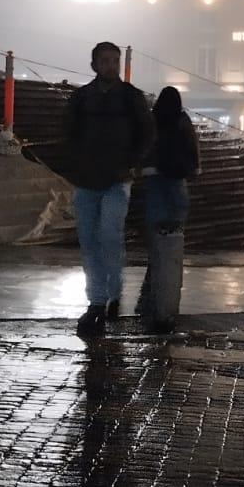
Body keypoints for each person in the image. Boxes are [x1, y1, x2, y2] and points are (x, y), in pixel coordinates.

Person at [65, 41, 153, 337]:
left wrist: (133, 164)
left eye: (114, 61)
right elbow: (68, 134)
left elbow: (146, 133)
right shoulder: (81, 98)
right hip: (86, 179)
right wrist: (73, 167)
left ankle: (111, 293)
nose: (110, 66)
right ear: (94, 65)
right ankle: (98, 300)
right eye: (105, 61)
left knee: (109, 237)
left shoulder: (131, 97)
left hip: (117, 179)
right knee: (90, 241)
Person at [134, 86, 202, 316]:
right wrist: (195, 168)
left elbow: (144, 145)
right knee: (174, 233)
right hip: (177, 179)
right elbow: (192, 145)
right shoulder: (182, 120)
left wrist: (142, 167)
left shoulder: (153, 120)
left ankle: (153, 281)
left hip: (155, 178)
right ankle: (169, 283)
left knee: (157, 232)